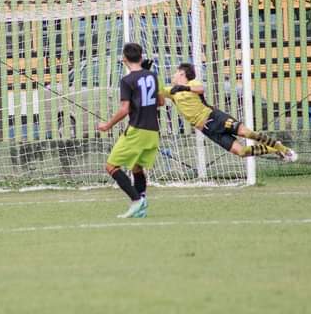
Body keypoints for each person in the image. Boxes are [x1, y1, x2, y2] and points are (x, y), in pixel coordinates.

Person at [160, 63, 297, 162]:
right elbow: (156, 90)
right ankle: (275, 148)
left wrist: (183, 88)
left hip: (215, 117)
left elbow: (200, 89)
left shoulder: (192, 83)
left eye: (175, 72)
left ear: (182, 73)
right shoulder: (171, 91)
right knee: (241, 152)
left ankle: (284, 149)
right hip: (208, 129)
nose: (173, 75)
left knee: (248, 133)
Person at [98, 43, 163, 218]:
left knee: (111, 166)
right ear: (141, 56)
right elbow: (161, 102)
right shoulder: (153, 75)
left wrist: (107, 125)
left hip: (137, 130)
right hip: (153, 131)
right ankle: (141, 203)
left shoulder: (127, 80)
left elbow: (124, 109)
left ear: (124, 59)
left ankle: (136, 200)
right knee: (136, 167)